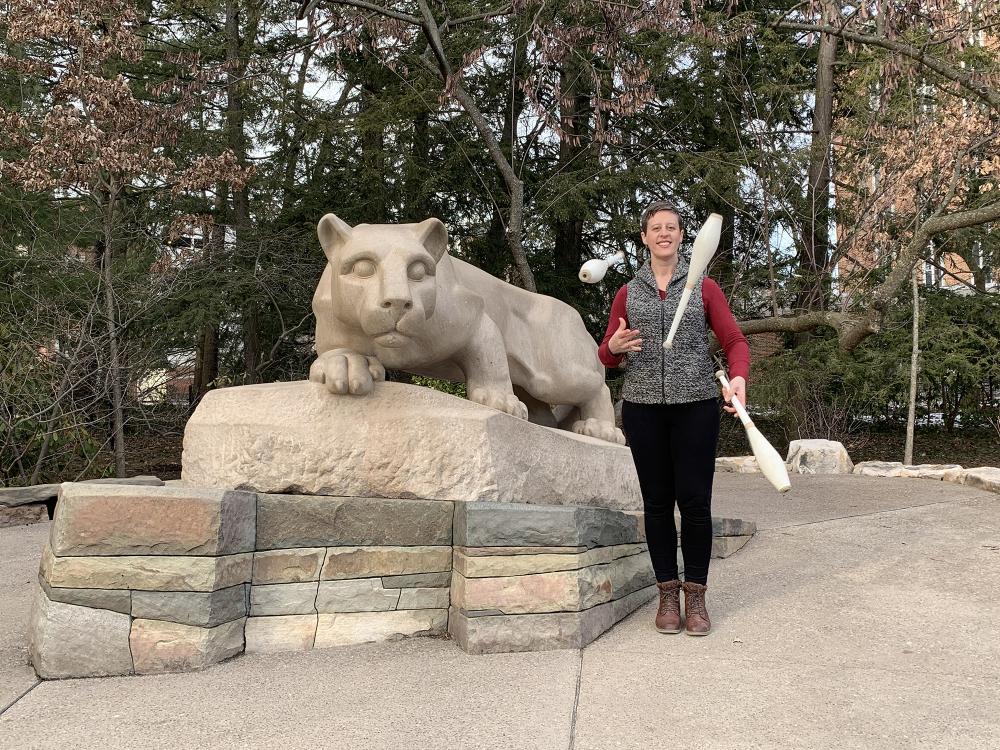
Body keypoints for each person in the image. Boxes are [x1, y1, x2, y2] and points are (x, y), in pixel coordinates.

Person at [598, 201, 749, 636]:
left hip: (696, 407)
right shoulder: (628, 293)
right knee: (657, 505)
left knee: (696, 504)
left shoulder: (704, 287)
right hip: (643, 409)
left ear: (682, 236)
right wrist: (615, 348)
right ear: (644, 238)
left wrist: (737, 379)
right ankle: (667, 594)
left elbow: (735, 341)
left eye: (672, 227)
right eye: (655, 228)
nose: (664, 233)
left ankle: (696, 597)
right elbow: (604, 354)